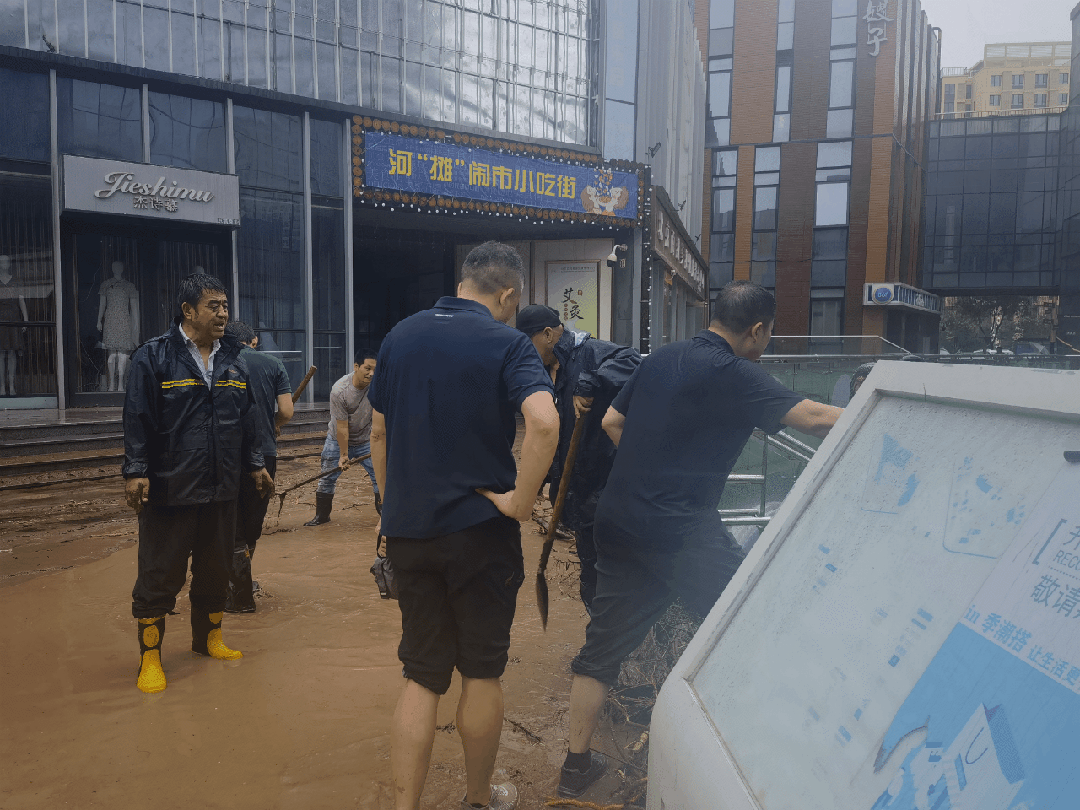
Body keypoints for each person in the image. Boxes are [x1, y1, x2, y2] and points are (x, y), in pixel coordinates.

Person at [555, 281, 843, 799]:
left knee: (601, 651)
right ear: (757, 329)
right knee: (747, 624)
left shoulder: (662, 358)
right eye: (768, 334)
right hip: (680, 531)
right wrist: (891, 407)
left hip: (618, 519)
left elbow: (614, 420)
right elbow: (817, 418)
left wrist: (656, 467)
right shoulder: (736, 373)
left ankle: (575, 768)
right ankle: (742, 756)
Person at [368, 241, 559, 810]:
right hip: (480, 534)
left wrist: (391, 506)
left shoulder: (399, 336)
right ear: (508, 294)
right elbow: (544, 423)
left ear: (461, 285)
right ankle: (478, 799)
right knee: (480, 672)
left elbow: (378, 432)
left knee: (421, 674)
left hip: (409, 533)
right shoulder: (508, 343)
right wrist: (521, 503)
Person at [123, 272, 274, 694]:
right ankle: (150, 659)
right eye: (213, 306)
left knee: (216, 568)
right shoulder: (154, 357)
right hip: (171, 488)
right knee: (159, 573)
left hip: (222, 487)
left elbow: (247, 418)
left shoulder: (234, 359)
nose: (223, 313)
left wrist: (255, 464)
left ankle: (208, 640)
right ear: (188, 311)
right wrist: (135, 470)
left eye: (225, 306)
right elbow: (137, 417)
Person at [515, 304, 641, 611]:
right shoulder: (554, 368)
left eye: (529, 345)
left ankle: (614, 627)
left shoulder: (592, 352)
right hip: (580, 492)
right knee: (591, 572)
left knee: (611, 572)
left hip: (606, 488)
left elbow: (633, 361)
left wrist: (591, 381)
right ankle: (599, 625)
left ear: (548, 334)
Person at [223, 320, 293, 613]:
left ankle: (236, 590)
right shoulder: (273, 364)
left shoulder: (219, 362)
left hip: (226, 455)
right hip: (265, 453)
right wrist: (273, 424)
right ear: (252, 341)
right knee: (252, 520)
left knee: (229, 521)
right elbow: (286, 411)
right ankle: (244, 582)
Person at [303, 349, 379, 526]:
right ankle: (322, 517)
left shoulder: (378, 386)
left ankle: (385, 516)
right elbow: (342, 427)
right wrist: (344, 455)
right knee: (327, 477)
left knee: (380, 475)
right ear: (356, 366)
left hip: (366, 439)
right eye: (368, 369)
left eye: (375, 369)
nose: (372, 374)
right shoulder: (340, 390)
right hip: (337, 439)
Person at [97, 260, 140, 392]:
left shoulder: (129, 286)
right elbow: (102, 304)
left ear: (122, 268)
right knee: (111, 354)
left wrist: (136, 324)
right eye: (114, 267)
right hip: (110, 320)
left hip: (124, 321)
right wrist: (99, 320)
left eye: (119, 267)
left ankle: (120, 383)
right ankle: (111, 383)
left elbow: (134, 307)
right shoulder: (106, 285)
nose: (117, 269)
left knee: (122, 354)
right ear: (112, 268)